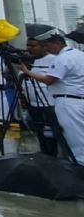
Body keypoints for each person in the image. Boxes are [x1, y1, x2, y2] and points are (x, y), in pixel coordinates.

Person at [16, 33, 84, 163]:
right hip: (78, 99)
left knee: (74, 138)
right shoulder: (79, 54)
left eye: (47, 45)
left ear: (57, 43)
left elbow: (49, 80)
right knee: (80, 134)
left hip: (67, 101)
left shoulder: (62, 58)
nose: (46, 48)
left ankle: (79, 166)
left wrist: (27, 72)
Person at [20, 36, 59, 156]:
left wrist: (27, 72)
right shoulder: (31, 60)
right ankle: (44, 153)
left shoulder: (53, 59)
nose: (29, 48)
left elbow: (51, 80)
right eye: (28, 45)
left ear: (44, 47)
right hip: (33, 103)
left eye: (33, 46)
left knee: (51, 132)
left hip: (49, 103)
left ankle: (53, 154)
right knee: (39, 131)